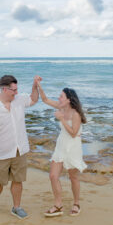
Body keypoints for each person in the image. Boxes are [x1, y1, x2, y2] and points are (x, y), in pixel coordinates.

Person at [0, 75, 40, 219]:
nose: (16, 93)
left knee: (18, 180)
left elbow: (34, 99)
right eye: (14, 90)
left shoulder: (19, 100)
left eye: (17, 89)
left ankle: (16, 207)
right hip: (0, 153)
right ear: (5, 89)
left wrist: (34, 85)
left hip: (20, 150)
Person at [37, 81, 87, 217]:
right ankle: (58, 205)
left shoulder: (76, 114)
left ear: (69, 100)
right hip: (61, 145)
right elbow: (45, 99)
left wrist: (62, 119)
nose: (59, 98)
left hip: (73, 147)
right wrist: (38, 86)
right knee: (53, 176)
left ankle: (76, 204)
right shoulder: (61, 107)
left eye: (61, 96)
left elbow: (73, 133)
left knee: (73, 177)